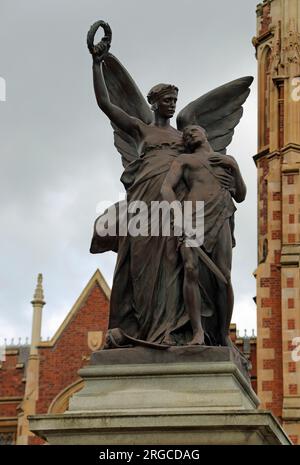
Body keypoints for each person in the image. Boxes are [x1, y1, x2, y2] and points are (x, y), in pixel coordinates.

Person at [92, 48, 191, 346]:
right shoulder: (141, 129)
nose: (172, 105)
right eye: (167, 100)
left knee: (173, 265)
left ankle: (169, 331)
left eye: (175, 101)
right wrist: (97, 65)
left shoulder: (183, 137)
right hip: (143, 206)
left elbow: (201, 165)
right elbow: (105, 104)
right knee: (142, 267)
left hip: (174, 207)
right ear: (154, 103)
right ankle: (142, 331)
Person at [161, 125, 246, 346]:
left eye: (194, 130)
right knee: (191, 270)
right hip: (192, 217)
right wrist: (177, 216)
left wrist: (235, 169)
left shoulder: (225, 161)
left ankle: (223, 333)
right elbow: (166, 188)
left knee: (224, 276)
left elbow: (241, 195)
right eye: (186, 133)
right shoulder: (184, 161)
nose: (190, 133)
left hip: (220, 217)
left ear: (206, 133)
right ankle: (198, 331)